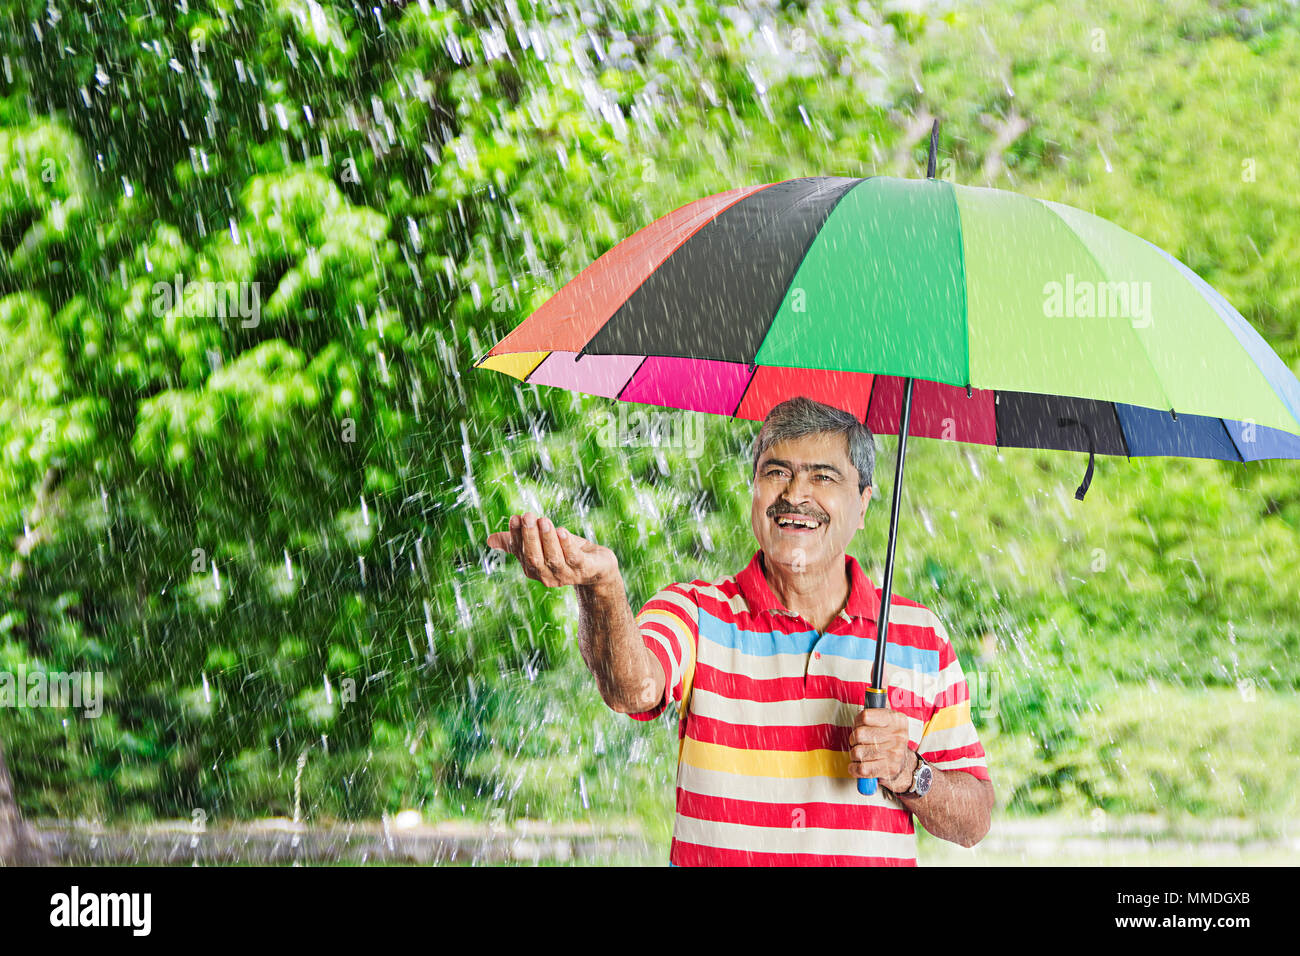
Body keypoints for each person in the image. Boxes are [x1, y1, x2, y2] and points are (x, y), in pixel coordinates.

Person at [486, 396, 994, 865]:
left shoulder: (919, 636)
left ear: (862, 504)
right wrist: (602, 589)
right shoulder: (697, 613)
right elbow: (632, 688)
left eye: (822, 477)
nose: (795, 494)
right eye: (777, 472)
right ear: (754, 489)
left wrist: (909, 771)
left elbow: (973, 820)